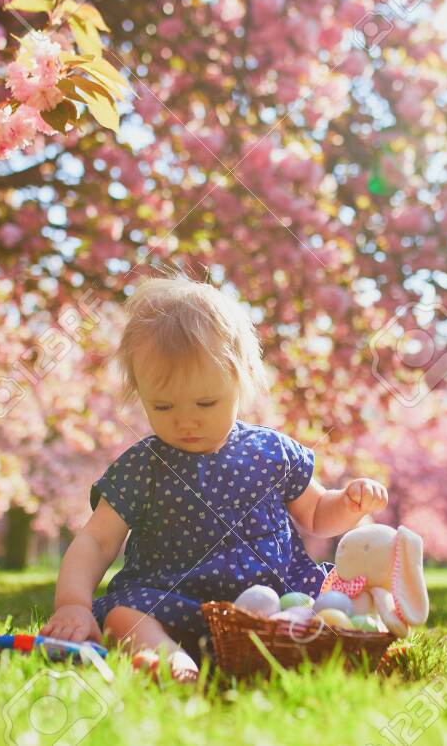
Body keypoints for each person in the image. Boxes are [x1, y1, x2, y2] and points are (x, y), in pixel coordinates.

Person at [37, 274, 389, 682]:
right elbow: (97, 540)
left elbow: (316, 514)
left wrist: (348, 503)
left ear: (242, 381)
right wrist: (73, 603)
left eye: (206, 402)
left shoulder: (271, 452)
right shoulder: (143, 466)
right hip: (170, 600)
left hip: (274, 601)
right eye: (163, 405)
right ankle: (171, 660)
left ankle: (300, 653)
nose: (186, 420)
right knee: (124, 614)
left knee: (336, 605)